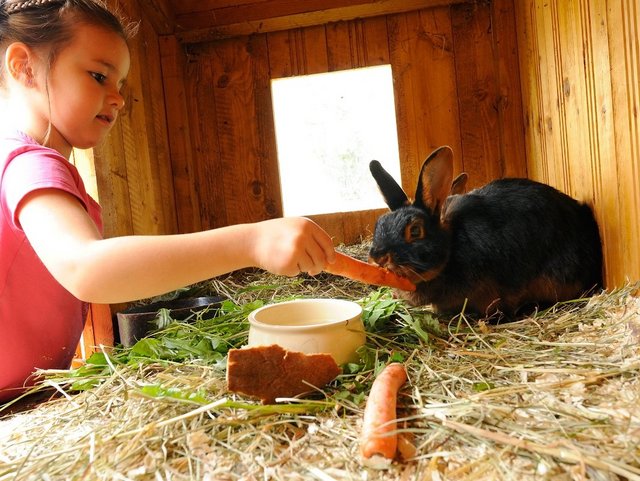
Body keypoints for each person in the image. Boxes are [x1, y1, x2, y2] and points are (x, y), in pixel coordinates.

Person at [0, 0, 336, 402]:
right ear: (23, 66)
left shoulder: (34, 166)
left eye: (120, 85)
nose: (118, 98)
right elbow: (85, 267)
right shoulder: (29, 163)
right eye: (99, 76)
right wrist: (251, 243)